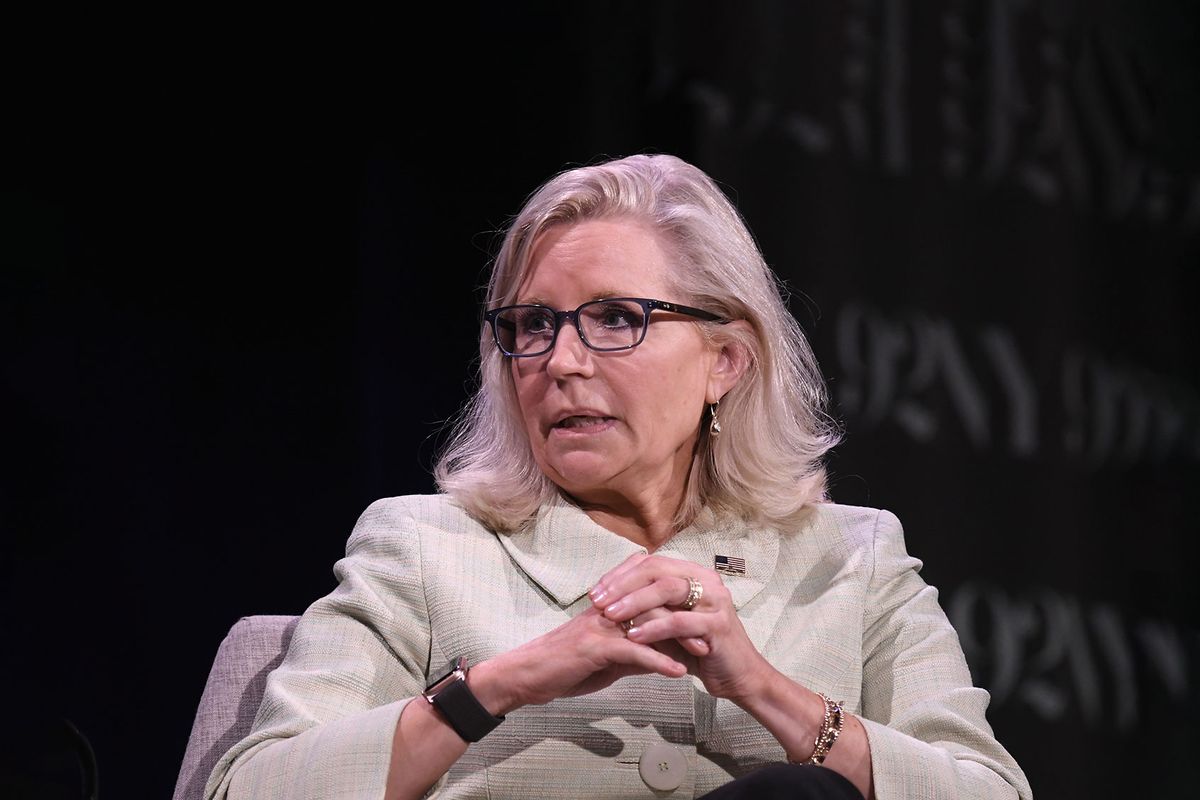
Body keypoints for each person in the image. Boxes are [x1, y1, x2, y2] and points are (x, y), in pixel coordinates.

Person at [204, 153, 1032, 800]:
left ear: (727, 361)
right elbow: (252, 791)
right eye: (531, 326)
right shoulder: (425, 547)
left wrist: (763, 689)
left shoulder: (852, 561)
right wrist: (507, 681)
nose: (559, 362)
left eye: (614, 319)